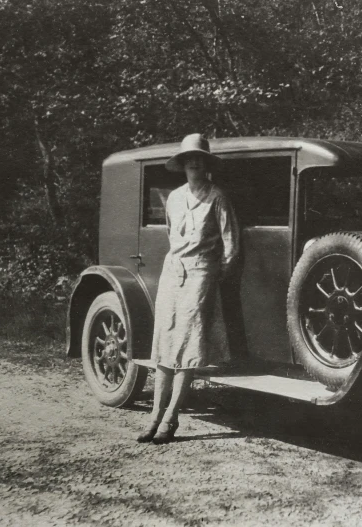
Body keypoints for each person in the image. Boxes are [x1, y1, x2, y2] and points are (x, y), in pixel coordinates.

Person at [137, 133, 239, 444]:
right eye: (188, 160)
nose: (194, 164)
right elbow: (172, 236)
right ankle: (154, 415)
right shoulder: (175, 198)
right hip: (172, 274)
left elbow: (230, 246)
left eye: (199, 159)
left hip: (201, 276)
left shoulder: (217, 198)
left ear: (206, 164)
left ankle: (171, 419)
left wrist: (210, 275)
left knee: (187, 349)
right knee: (165, 344)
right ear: (182, 165)